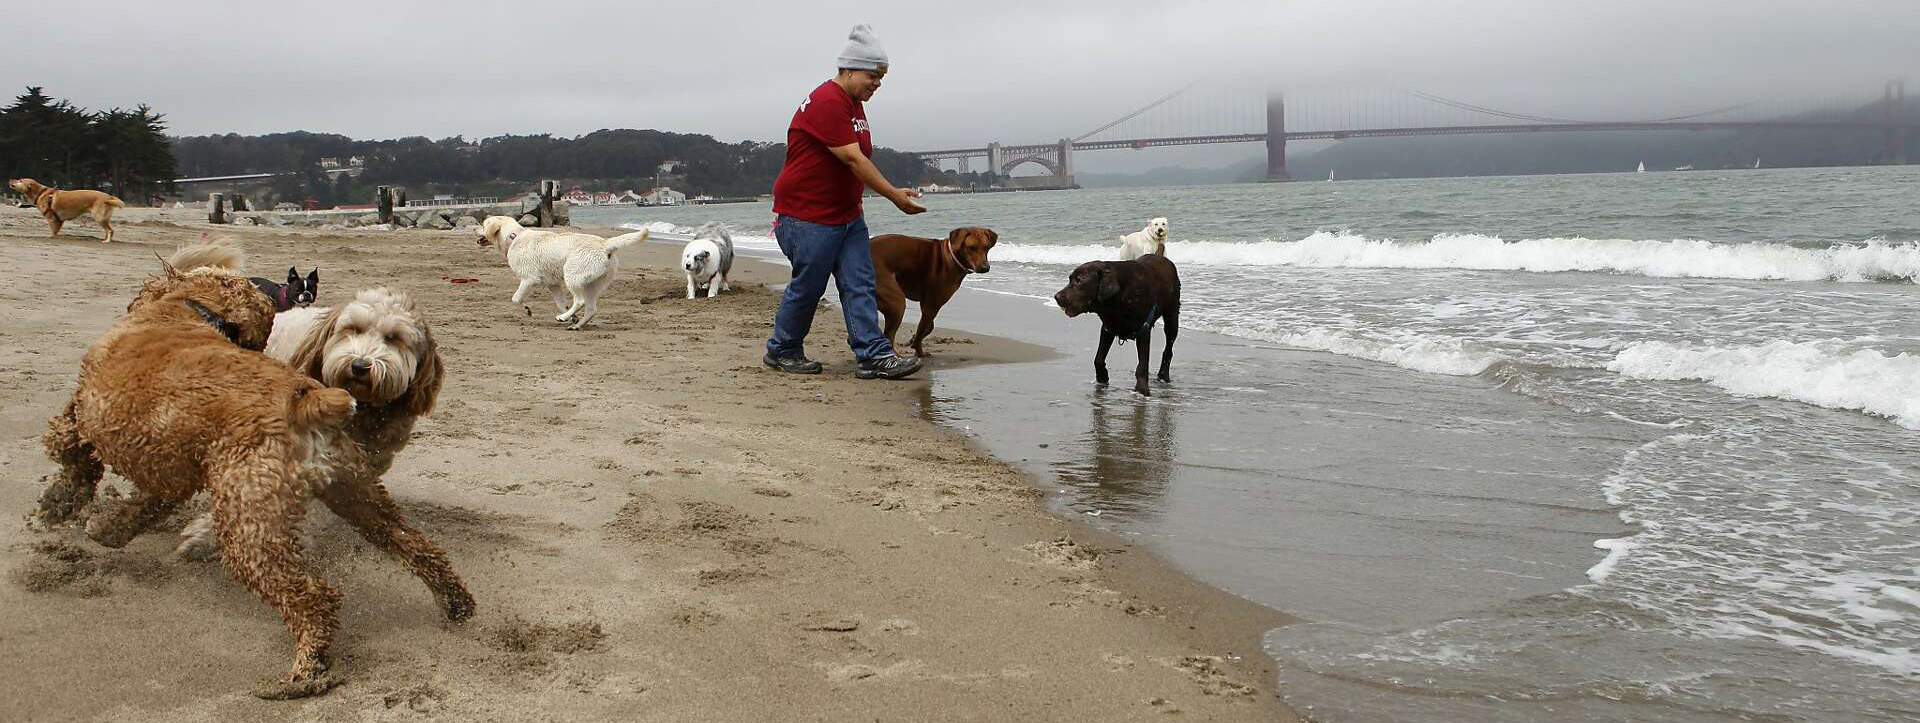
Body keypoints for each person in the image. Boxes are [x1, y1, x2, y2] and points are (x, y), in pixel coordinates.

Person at [762, 24, 927, 380]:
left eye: (882, 78)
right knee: (809, 285)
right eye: (873, 75)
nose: (877, 83)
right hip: (806, 215)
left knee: (860, 281)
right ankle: (783, 349)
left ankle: (872, 354)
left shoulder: (853, 102)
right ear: (850, 68)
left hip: (846, 215)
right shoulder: (826, 101)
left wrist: (886, 189)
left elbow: (856, 161)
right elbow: (853, 159)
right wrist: (894, 196)